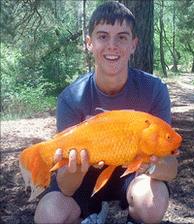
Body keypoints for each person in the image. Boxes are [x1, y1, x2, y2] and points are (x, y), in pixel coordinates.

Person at [34, 1, 179, 224]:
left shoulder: (154, 89)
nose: (112, 45)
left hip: (132, 176)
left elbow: (170, 169)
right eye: (102, 36)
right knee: (48, 215)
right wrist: (76, 166)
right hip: (85, 179)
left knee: (153, 202)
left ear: (133, 44)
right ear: (89, 43)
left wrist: (149, 163)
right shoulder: (71, 97)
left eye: (122, 37)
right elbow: (65, 185)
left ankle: (134, 218)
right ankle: (93, 211)